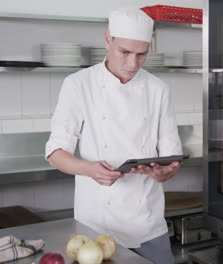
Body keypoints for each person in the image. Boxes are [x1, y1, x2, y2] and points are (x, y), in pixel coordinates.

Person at [45, 8, 182, 264]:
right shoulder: (78, 84)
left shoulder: (158, 89)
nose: (133, 63)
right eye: (125, 52)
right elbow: (55, 154)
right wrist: (89, 169)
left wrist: (166, 172)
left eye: (142, 54)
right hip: (95, 228)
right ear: (108, 40)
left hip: (148, 227)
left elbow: (170, 159)